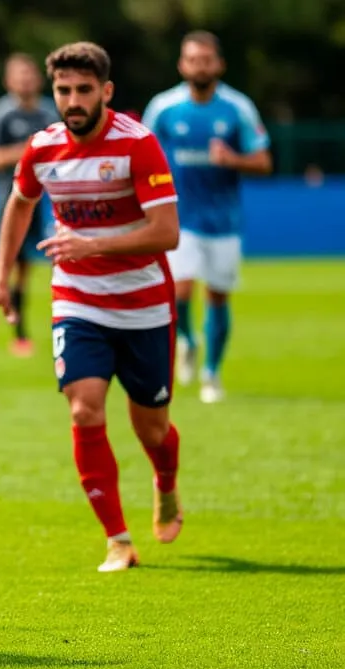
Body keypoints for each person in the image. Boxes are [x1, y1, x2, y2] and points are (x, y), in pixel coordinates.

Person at [0, 41, 185, 573]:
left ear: (106, 92)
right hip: (79, 301)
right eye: (64, 90)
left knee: (153, 429)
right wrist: (1, 280)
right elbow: (19, 205)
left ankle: (165, 483)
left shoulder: (137, 145)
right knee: (84, 408)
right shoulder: (42, 147)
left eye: (83, 90)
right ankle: (117, 538)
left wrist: (91, 243)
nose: (72, 100)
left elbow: (166, 233)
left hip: (144, 306)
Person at [141, 31, 272, 403]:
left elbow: (263, 160)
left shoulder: (237, 108)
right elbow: (141, 152)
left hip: (224, 219)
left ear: (219, 64)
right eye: (193, 59)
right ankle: (187, 339)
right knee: (178, 290)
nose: (200, 65)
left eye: (206, 59)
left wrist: (234, 160)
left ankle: (211, 373)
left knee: (218, 296)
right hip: (179, 216)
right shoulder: (164, 107)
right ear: (182, 64)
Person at [0, 53, 60, 358]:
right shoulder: (1, 113)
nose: (26, 81)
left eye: (30, 75)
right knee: (8, 258)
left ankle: (20, 319)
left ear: (38, 80)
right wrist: (27, 151)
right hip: (11, 197)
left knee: (27, 263)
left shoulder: (48, 112)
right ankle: (10, 313)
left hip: (42, 197)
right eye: (19, 76)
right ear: (8, 81)